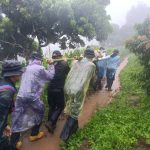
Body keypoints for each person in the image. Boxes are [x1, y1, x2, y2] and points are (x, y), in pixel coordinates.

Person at [11, 52, 55, 148]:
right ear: (39, 59)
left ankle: (14, 143)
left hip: (20, 96)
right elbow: (50, 76)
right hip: (31, 96)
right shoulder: (40, 68)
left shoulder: (26, 68)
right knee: (40, 111)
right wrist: (51, 65)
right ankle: (34, 134)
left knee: (17, 117)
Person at [60, 48, 96, 142]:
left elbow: (74, 62)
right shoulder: (92, 65)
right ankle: (65, 137)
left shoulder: (75, 62)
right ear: (92, 56)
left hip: (68, 88)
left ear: (84, 54)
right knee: (75, 112)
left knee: (72, 108)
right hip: (78, 89)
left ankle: (75, 129)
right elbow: (92, 77)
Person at [0, 60, 23, 150]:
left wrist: (5, 125)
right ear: (13, 74)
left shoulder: (4, 83)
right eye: (19, 72)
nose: (21, 74)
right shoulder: (6, 92)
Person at [45, 50, 70, 133]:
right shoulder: (64, 64)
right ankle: (51, 122)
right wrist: (65, 62)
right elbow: (68, 72)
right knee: (60, 106)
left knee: (52, 106)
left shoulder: (50, 65)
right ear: (60, 56)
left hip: (50, 89)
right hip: (58, 89)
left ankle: (52, 124)